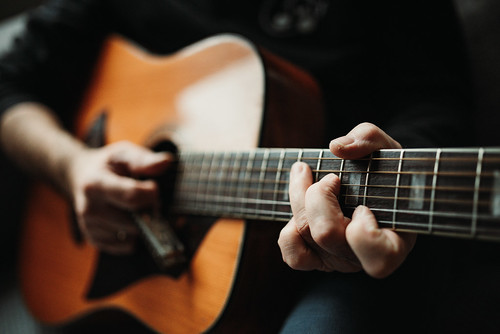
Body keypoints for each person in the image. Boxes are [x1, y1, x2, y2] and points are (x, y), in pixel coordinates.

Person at [1, 0, 496, 333]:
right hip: (132, 276)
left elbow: (434, 101)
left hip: (346, 246)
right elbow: (10, 82)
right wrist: (71, 166)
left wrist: (397, 161)